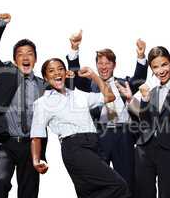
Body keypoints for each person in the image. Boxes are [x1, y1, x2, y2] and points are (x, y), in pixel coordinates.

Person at [30, 58, 130, 198]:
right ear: (46, 78)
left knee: (89, 193)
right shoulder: (42, 103)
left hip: (95, 145)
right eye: (51, 71)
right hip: (75, 148)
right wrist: (36, 160)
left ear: (66, 73)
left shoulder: (79, 94)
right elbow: (36, 134)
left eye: (60, 69)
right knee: (118, 186)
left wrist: (94, 76)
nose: (57, 73)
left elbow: (110, 96)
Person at [66, 30, 148, 196]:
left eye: (107, 63)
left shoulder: (123, 82)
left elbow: (140, 77)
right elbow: (74, 74)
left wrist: (141, 55)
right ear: (96, 65)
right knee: (98, 179)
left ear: (114, 65)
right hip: (100, 134)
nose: (103, 67)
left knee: (126, 178)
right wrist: (74, 48)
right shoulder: (90, 84)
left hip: (123, 135)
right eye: (100, 63)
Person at [0, 13, 47, 198]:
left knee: (29, 191)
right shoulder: (4, 75)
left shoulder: (42, 85)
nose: (25, 57)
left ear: (35, 59)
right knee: (0, 184)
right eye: (21, 54)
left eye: (29, 54)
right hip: (5, 143)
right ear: (15, 60)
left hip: (30, 146)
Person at [119, 46, 170, 198]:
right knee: (143, 193)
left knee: (168, 194)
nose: (160, 71)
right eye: (155, 67)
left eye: (164, 64)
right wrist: (135, 99)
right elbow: (146, 120)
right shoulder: (153, 91)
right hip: (144, 149)